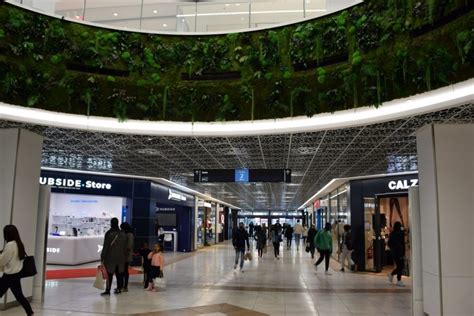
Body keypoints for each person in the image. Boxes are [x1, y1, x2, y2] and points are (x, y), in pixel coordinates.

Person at [0, 225, 34, 316]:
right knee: (20, 296)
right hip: (16, 274)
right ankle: (30, 313)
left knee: (18, 296)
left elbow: (3, 261)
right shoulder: (18, 243)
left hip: (9, 275)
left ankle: (30, 313)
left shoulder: (10, 245)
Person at [100, 218, 127, 295]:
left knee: (109, 274)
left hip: (110, 257)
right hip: (121, 257)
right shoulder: (123, 234)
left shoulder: (109, 233)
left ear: (111, 223)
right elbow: (125, 247)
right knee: (119, 274)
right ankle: (119, 288)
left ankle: (108, 290)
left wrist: (102, 256)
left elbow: (106, 246)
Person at [388, 221, 406, 286]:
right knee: (400, 266)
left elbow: (389, 243)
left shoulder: (392, 234)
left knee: (399, 266)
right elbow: (402, 244)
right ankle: (399, 280)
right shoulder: (400, 233)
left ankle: (392, 275)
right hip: (399, 252)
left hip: (395, 252)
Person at [120, 222, 134, 292]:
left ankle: (125, 286)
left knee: (125, 271)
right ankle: (121, 285)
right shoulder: (125, 234)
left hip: (126, 255)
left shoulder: (129, 235)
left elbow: (129, 246)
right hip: (123, 255)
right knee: (122, 271)